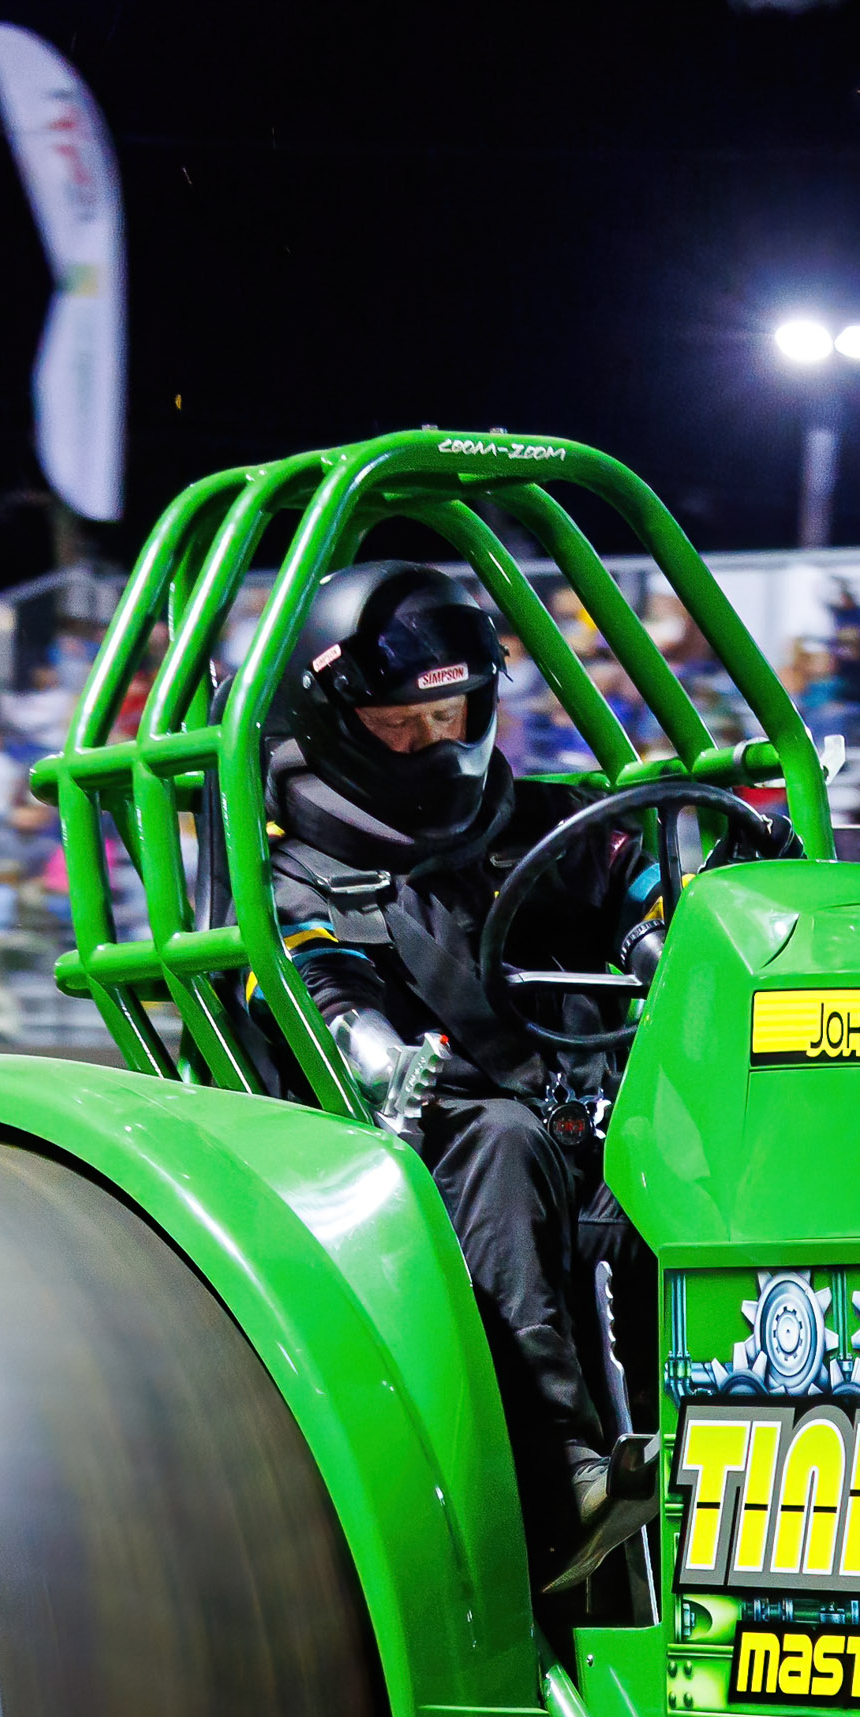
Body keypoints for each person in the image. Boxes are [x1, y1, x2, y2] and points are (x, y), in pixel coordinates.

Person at [260, 561, 673, 1582]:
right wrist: (372, 1049)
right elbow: (320, 983)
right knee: (501, 1140)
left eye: (454, 713)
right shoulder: (303, 869)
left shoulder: (530, 820)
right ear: (337, 721)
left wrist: (663, 930)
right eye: (406, 723)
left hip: (587, 1122)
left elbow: (641, 865)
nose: (436, 742)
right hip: (411, 1162)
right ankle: (559, 1478)